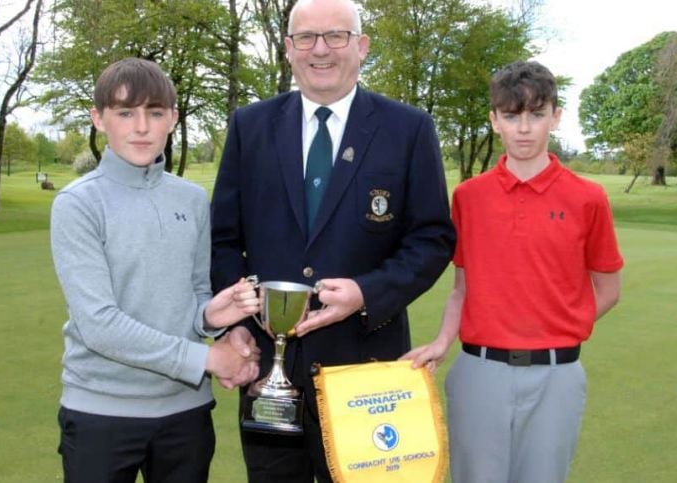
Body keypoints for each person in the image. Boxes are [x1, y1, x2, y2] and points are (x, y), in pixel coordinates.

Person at [210, 0, 456, 481]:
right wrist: (232, 325)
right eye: (306, 38)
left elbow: (431, 238)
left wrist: (368, 292)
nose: (320, 50)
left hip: (366, 365)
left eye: (336, 36)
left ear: (361, 46)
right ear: (288, 50)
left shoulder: (409, 129)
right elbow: (223, 237)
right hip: (267, 368)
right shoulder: (250, 126)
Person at [402, 60, 624, 483]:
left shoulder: (588, 198)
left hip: (557, 376)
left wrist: (558, 325)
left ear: (555, 117)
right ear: (495, 120)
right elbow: (461, 289)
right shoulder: (469, 197)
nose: (524, 129)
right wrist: (442, 341)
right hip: (479, 372)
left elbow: (608, 289)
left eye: (537, 115)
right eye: (512, 116)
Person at [50, 57, 262, 483]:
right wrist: (208, 357)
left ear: (173, 119)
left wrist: (210, 317)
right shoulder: (77, 204)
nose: (141, 127)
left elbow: (196, 293)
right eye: (126, 113)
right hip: (101, 412)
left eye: (155, 112)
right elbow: (100, 325)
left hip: (185, 413)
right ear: (99, 119)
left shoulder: (191, 199)